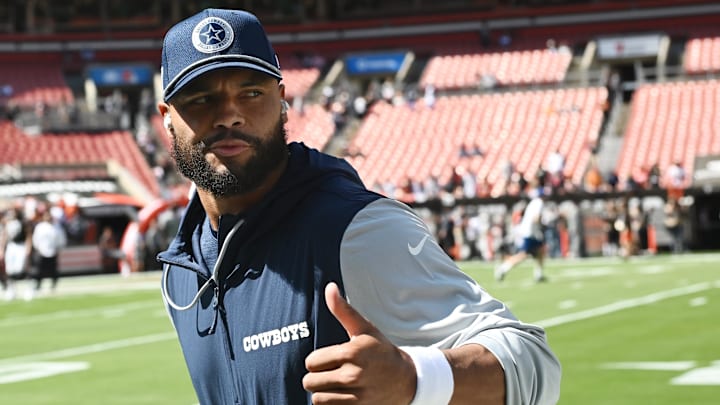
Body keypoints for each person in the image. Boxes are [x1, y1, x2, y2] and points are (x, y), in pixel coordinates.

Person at [156, 8, 560, 405]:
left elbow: (534, 365)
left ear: (281, 100)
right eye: (201, 98)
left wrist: (415, 380)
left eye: (251, 93)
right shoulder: (181, 269)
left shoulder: (355, 228)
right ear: (166, 118)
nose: (229, 114)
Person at [495, 189, 548, 283]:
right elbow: (536, 218)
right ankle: (503, 268)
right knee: (523, 255)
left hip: (531, 232)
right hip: (530, 232)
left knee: (540, 251)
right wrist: (543, 224)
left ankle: (538, 274)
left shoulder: (534, 202)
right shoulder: (539, 202)